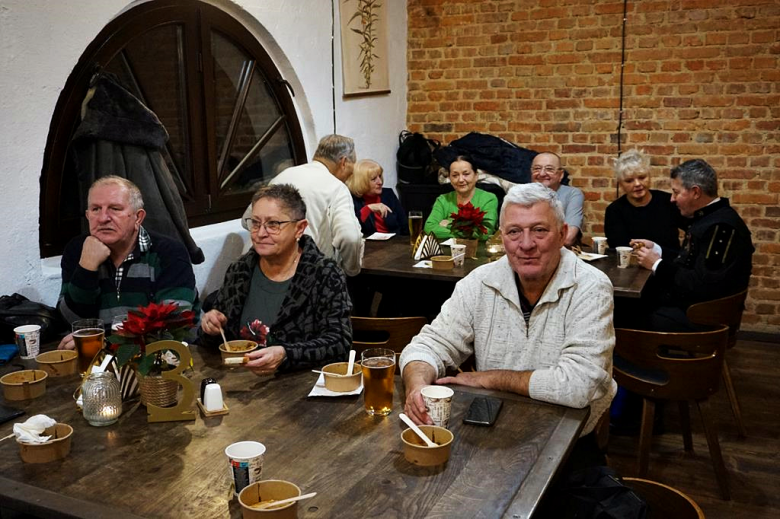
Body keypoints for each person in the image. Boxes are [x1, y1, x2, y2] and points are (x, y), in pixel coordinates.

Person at [401, 182, 616, 447]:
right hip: (491, 429)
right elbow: (429, 345)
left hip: (565, 440)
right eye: (514, 232)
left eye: (539, 230)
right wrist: (417, 384)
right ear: (502, 237)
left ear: (562, 235)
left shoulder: (591, 286)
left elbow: (579, 384)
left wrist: (488, 378)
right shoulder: (480, 281)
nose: (526, 244)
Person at [201, 184, 352, 375]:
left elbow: (340, 342)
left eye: (273, 224)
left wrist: (286, 354)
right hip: (240, 384)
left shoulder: (324, 274)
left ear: (300, 228)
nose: (261, 233)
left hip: (298, 389)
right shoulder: (240, 270)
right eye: (255, 223)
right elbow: (219, 341)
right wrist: (211, 326)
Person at [57, 176, 197, 350]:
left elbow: (173, 325)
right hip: (99, 362)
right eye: (95, 209)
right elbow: (70, 321)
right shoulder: (77, 250)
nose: (103, 218)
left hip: (164, 359)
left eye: (115, 209)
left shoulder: (169, 252)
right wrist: (86, 268)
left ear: (138, 217)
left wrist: (106, 341)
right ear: (87, 215)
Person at [633, 159, 754, 332]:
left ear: (695, 192)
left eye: (676, 192)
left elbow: (703, 286)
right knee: (630, 303)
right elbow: (690, 261)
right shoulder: (709, 218)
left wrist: (656, 264)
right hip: (690, 307)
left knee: (624, 314)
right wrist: (656, 249)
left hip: (701, 317)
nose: (672, 199)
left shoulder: (721, 227)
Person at [242, 134, 363, 276]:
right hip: (308, 275)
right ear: (343, 162)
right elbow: (350, 236)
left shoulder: (282, 176)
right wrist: (351, 270)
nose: (350, 175)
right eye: (351, 169)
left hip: (263, 268)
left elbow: (247, 220)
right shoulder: (336, 187)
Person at [605, 149, 682, 259]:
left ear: (649, 176)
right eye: (629, 181)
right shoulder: (614, 211)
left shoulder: (669, 202)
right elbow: (619, 250)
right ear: (620, 184)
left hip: (670, 267)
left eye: (642, 177)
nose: (637, 184)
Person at [423, 155, 498, 241]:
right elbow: (429, 228)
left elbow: (484, 233)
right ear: (450, 178)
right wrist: (467, 229)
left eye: (466, 174)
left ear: (476, 176)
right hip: (446, 252)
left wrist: (449, 224)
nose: (461, 179)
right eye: (455, 175)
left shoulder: (489, 199)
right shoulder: (443, 200)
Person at [531, 152, 583, 247]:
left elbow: (568, 238)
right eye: (537, 168)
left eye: (549, 169)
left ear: (561, 175)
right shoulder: (521, 194)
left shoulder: (572, 194)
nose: (542, 173)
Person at [346, 159, 408, 236]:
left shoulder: (388, 194)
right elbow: (351, 229)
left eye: (379, 176)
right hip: (370, 246)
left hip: (394, 243)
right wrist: (368, 208)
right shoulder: (352, 199)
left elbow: (404, 226)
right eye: (374, 179)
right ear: (362, 182)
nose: (380, 182)